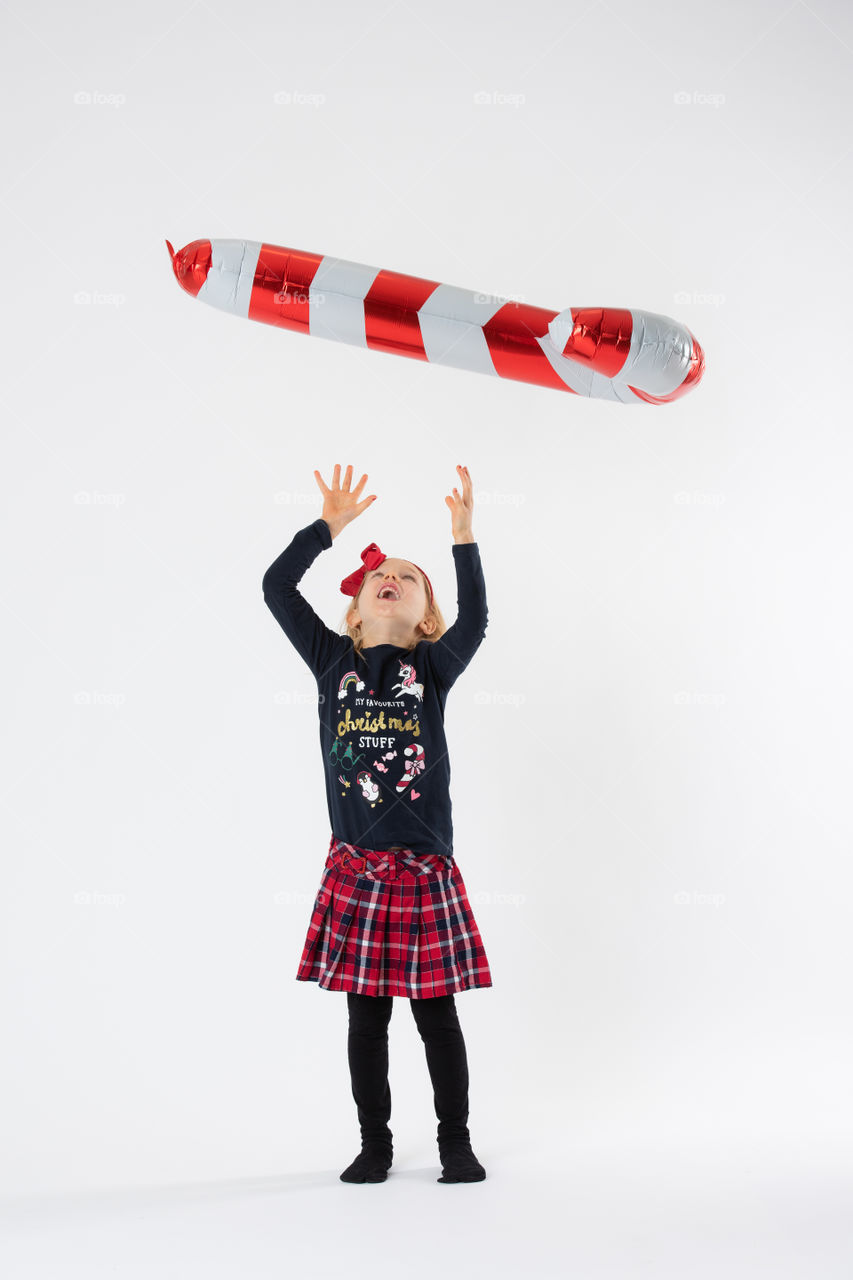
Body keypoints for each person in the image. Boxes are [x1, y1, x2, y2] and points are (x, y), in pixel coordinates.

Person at [261, 463, 492, 1185]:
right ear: (355, 610)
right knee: (366, 1022)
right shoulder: (331, 660)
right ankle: (375, 1144)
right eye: (377, 576)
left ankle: (455, 1141)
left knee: (436, 1019)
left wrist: (462, 541)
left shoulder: (434, 666)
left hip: (422, 869)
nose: (388, 577)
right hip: (356, 870)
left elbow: (477, 619)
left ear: (426, 616)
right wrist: (326, 528)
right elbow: (276, 587)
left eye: (407, 577)